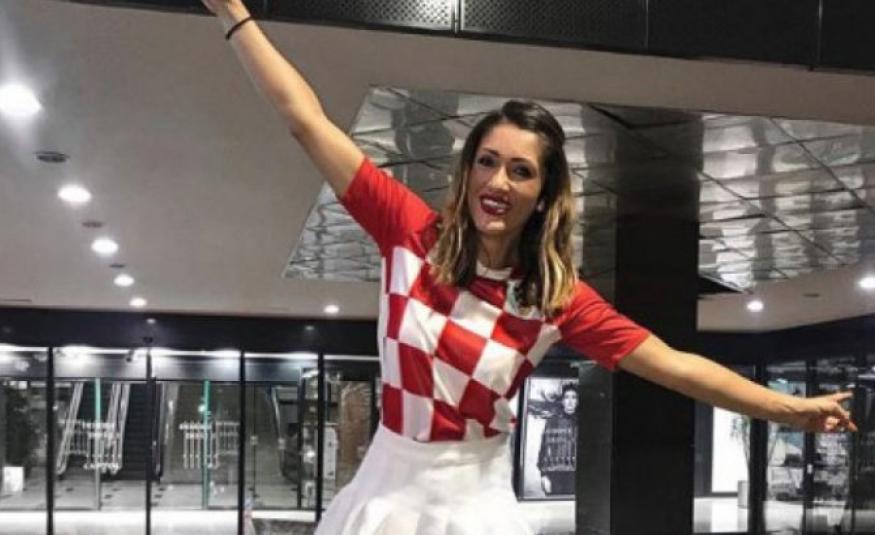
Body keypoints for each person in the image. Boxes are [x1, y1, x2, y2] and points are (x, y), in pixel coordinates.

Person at [199, 2, 859, 533]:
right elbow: (305, 120)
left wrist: (789, 409)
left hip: (475, 501)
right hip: (385, 487)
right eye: (487, 162)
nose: (498, 182)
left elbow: (675, 365)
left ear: (542, 194)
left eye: (520, 171)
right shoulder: (408, 233)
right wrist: (233, 12)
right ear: (468, 169)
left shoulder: (552, 298)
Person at [537, 383, 578, 496]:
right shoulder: (552, 422)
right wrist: (544, 476)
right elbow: (544, 449)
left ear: (578, 401)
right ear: (563, 401)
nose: (570, 401)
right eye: (567, 397)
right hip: (555, 477)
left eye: (574, 397)